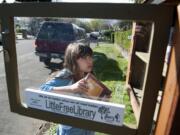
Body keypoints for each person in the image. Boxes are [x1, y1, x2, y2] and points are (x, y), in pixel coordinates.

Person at [40, 43, 94, 135]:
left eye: (90, 57)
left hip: (88, 126)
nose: (90, 61)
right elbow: (42, 90)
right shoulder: (66, 76)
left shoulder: (85, 74)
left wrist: (102, 97)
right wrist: (71, 88)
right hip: (72, 129)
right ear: (73, 59)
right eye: (84, 57)